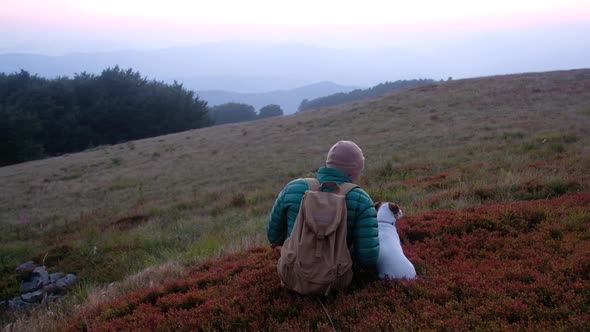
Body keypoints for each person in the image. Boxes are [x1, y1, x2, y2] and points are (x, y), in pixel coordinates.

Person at [266, 140, 379, 270]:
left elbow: (273, 236)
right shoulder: (361, 200)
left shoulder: (293, 188)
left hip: (293, 274)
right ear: (354, 171)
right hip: (337, 281)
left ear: (328, 163)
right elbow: (368, 258)